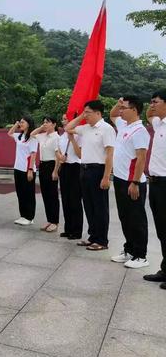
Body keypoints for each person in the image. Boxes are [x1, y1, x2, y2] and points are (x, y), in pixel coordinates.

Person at [66, 100, 116, 251]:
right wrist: (82, 115)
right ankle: (92, 236)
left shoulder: (106, 129)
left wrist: (106, 176)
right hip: (84, 169)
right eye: (85, 112)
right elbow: (68, 128)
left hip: (98, 170)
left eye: (88, 112)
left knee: (100, 206)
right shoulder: (85, 128)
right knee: (88, 205)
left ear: (98, 113)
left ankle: (102, 240)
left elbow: (110, 154)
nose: (85, 115)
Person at [110, 96, 150, 268]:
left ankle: (141, 256)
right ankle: (130, 250)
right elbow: (112, 115)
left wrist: (134, 182)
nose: (120, 111)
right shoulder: (123, 125)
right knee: (125, 217)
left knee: (137, 219)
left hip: (132, 182)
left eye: (124, 108)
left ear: (134, 110)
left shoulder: (140, 131)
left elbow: (141, 159)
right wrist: (118, 103)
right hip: (119, 179)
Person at [143, 89, 166, 289]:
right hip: (156, 182)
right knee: (161, 230)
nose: (151, 105)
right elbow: (149, 115)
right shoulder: (159, 123)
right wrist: (152, 109)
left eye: (155, 101)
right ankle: (165, 269)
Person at [55, 114, 83, 240]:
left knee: (74, 200)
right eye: (63, 119)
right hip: (64, 167)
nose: (64, 121)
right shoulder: (61, 136)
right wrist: (60, 156)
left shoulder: (79, 135)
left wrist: (72, 139)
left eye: (66, 119)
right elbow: (58, 151)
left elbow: (80, 154)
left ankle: (76, 231)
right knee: (65, 199)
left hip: (75, 168)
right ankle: (68, 228)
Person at [31, 117, 60, 232]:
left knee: (53, 195)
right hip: (42, 165)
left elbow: (58, 155)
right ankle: (49, 219)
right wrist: (41, 128)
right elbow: (32, 134)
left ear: (54, 124)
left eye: (47, 122)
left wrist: (55, 171)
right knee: (45, 194)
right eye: (44, 122)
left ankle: (55, 221)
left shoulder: (56, 137)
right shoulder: (42, 136)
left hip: (52, 165)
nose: (45, 124)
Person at [8, 116, 38, 226]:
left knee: (28, 194)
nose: (21, 124)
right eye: (20, 122)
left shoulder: (32, 138)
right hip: (18, 168)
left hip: (27, 169)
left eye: (22, 122)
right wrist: (16, 125)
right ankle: (23, 215)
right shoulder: (19, 136)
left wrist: (30, 169)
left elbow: (33, 154)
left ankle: (30, 217)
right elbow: (9, 133)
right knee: (20, 193)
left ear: (29, 124)